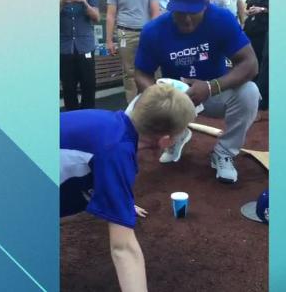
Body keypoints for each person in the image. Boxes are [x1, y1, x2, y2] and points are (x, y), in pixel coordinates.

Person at [60, 84, 196, 291]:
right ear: (165, 140)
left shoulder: (114, 125)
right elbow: (123, 249)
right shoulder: (116, 151)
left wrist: (123, 201)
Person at [134, 0, 260, 183]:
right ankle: (176, 135)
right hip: (176, 100)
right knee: (142, 101)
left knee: (250, 92)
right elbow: (141, 73)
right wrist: (157, 95)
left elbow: (250, 64)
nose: (187, 18)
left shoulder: (221, 19)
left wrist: (211, 87)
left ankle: (224, 151)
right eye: (180, 12)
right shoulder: (154, 30)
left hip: (214, 93)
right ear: (170, 5)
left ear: (205, 4)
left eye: (193, 11)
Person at [106, 0, 160, 103]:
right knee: (129, 73)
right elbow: (110, 15)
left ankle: (153, 104)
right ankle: (133, 109)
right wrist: (109, 41)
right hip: (125, 34)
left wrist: (154, 34)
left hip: (146, 33)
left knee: (153, 70)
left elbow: (155, 12)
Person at [60, 0, 100, 111]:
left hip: (85, 46)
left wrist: (85, 4)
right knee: (68, 89)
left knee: (89, 86)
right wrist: (62, 3)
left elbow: (96, 18)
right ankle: (72, 122)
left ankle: (88, 120)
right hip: (64, 47)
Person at [244, 0, 268, 111]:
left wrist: (263, 10)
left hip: (265, 31)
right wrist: (248, 11)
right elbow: (247, 6)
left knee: (263, 65)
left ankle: (262, 100)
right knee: (252, 63)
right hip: (251, 31)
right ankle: (251, 97)